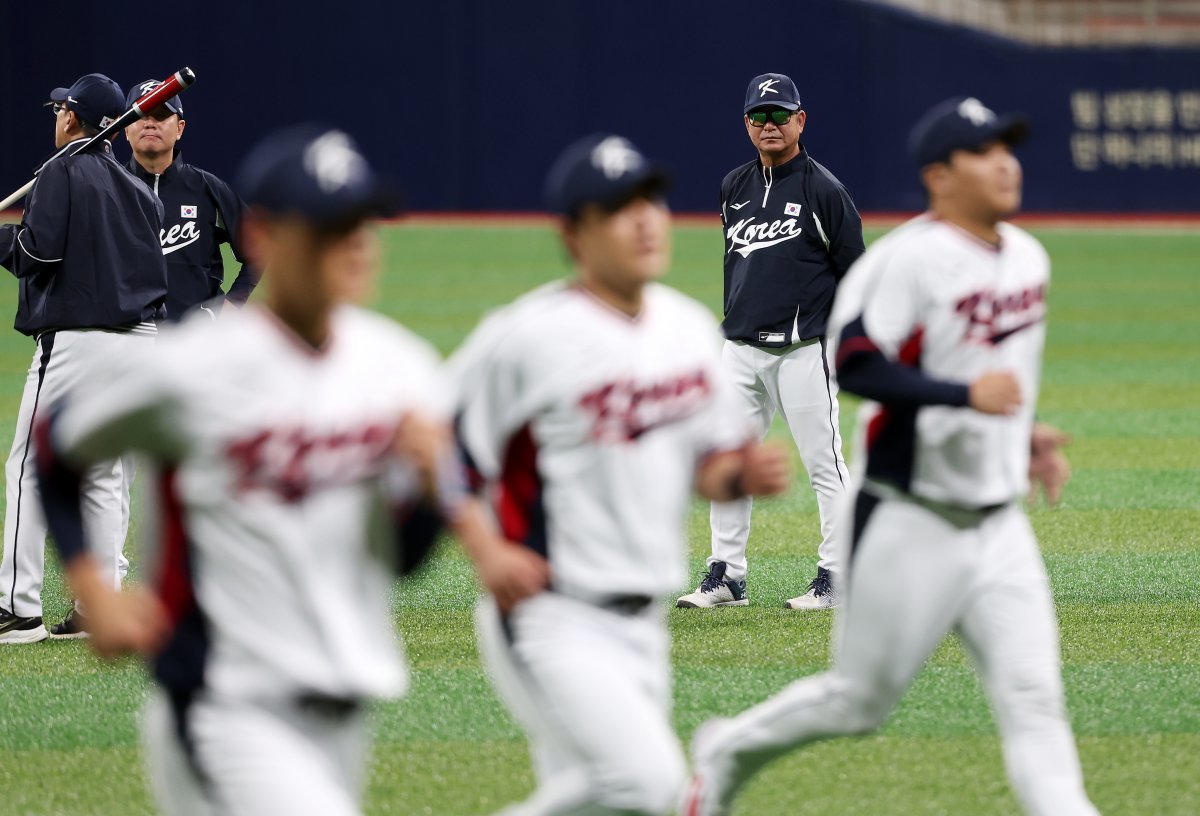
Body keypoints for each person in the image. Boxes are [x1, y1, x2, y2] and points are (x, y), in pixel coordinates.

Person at [34, 124, 513, 815]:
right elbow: (56, 446)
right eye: (328, 226)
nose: (353, 244)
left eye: (361, 223)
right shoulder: (194, 367)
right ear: (262, 239)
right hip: (222, 703)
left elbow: (400, 559)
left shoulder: (398, 368)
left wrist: (429, 491)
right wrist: (93, 588)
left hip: (343, 705)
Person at [682, 97, 1099, 816]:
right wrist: (968, 398)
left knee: (1034, 700)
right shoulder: (907, 261)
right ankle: (727, 748)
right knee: (857, 702)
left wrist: (1019, 432)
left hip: (998, 526)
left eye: (1008, 147)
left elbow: (999, 371)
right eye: (983, 152)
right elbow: (860, 364)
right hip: (907, 521)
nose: (1006, 163)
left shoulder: (1029, 257)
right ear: (939, 175)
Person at [451, 134, 790, 816]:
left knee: (605, 801)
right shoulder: (527, 336)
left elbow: (708, 465)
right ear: (574, 235)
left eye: (650, 201)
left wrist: (737, 475)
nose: (645, 220)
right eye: (617, 209)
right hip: (552, 611)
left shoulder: (687, 329)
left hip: (644, 620)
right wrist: (485, 549)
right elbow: (439, 444)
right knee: (646, 786)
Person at [677, 72, 863, 612]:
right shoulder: (733, 185)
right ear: (746, 124)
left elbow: (856, 272)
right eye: (759, 116)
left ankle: (839, 574)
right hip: (739, 349)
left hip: (802, 348)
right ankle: (726, 575)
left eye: (781, 115)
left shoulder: (822, 189)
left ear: (801, 120)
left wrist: (841, 339)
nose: (770, 125)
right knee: (728, 458)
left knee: (824, 464)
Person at [0, 73, 167, 643]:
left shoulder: (60, 170)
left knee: (27, 467)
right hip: (141, 342)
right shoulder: (137, 186)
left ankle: (17, 609)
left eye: (58, 111)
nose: (54, 118)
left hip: (78, 342)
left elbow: (35, 252)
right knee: (100, 475)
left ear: (71, 118)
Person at [124, 78, 259, 320]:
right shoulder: (108, 189)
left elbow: (261, 247)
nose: (150, 123)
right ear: (125, 128)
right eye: (141, 114)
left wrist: (229, 307)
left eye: (161, 115)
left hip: (193, 344)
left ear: (180, 129)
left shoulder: (208, 189)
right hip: (126, 343)